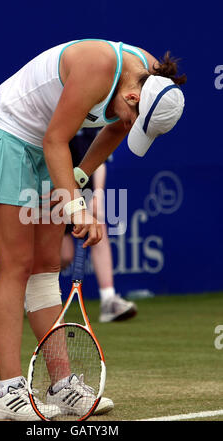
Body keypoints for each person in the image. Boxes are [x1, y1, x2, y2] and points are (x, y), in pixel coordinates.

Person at [0, 39, 186, 420]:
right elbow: (55, 140)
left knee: (46, 265)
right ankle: (8, 391)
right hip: (10, 134)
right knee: (16, 262)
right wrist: (77, 208)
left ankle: (62, 386)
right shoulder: (98, 67)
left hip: (48, 147)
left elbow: (112, 130)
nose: (130, 127)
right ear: (132, 97)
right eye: (134, 119)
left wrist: (78, 177)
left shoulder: (147, 75)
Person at [61, 128, 138, 323]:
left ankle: (108, 300)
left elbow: (100, 159)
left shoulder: (95, 116)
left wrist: (98, 194)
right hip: (56, 183)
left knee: (99, 230)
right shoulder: (60, 110)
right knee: (64, 255)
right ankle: (31, 292)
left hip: (85, 183)